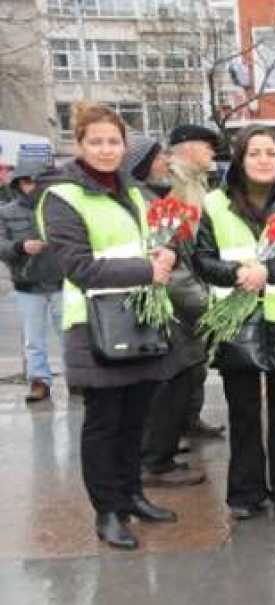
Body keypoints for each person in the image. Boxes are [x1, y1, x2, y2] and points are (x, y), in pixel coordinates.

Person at [38, 102, 188, 549]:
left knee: (135, 417)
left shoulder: (136, 191)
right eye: (96, 142)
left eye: (113, 141)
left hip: (142, 318)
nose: (106, 150)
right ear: (79, 145)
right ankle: (106, 511)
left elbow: (162, 238)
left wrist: (168, 253)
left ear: (125, 146)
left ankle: (131, 496)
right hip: (95, 324)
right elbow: (76, 266)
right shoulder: (62, 196)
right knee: (103, 422)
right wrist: (147, 269)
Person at [193, 124, 275, 520]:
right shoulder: (215, 203)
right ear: (240, 158)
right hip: (236, 319)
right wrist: (237, 274)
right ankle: (245, 493)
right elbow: (201, 258)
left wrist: (269, 274)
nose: (264, 159)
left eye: (270, 152)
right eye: (255, 152)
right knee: (242, 411)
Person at [123, 134, 210, 489]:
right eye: (158, 158)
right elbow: (170, 268)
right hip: (168, 309)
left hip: (167, 306)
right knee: (175, 380)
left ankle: (160, 453)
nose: (164, 163)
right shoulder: (146, 203)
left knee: (176, 379)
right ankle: (156, 461)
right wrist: (205, 304)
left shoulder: (145, 197)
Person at [170, 124, 225, 441]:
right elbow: (177, 238)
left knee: (196, 358)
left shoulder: (195, 181)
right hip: (181, 279)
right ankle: (171, 432)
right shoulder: (174, 181)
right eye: (207, 147)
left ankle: (190, 419)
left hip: (196, 276)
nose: (211, 153)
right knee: (183, 361)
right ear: (188, 146)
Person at [0, 157, 63, 402]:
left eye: (37, 181)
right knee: (33, 338)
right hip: (27, 285)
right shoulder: (5, 213)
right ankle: (39, 381)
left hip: (61, 280)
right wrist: (21, 247)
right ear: (17, 183)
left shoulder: (58, 209)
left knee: (70, 335)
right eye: (26, 181)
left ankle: (79, 380)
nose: (31, 186)